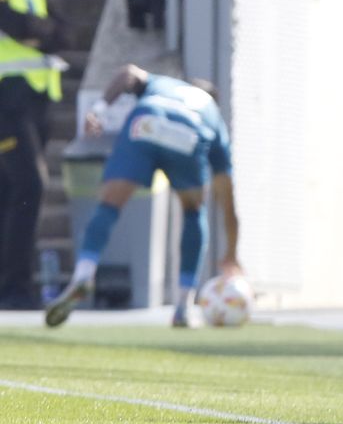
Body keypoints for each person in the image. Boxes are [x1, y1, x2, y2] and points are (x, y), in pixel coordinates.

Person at [44, 64, 238, 328]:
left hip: (147, 120)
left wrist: (99, 110)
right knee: (194, 212)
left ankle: (84, 273)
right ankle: (183, 304)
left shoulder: (164, 84)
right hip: (189, 132)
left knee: (109, 205)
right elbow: (227, 199)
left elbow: (127, 73)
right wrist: (231, 253)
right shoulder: (212, 113)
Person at [0, 0, 66, 311]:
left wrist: (37, 33)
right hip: (5, 99)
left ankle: (8, 284)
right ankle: (17, 287)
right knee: (31, 185)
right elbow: (18, 26)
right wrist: (37, 31)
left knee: (10, 190)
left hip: (38, 99)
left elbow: (63, 32)